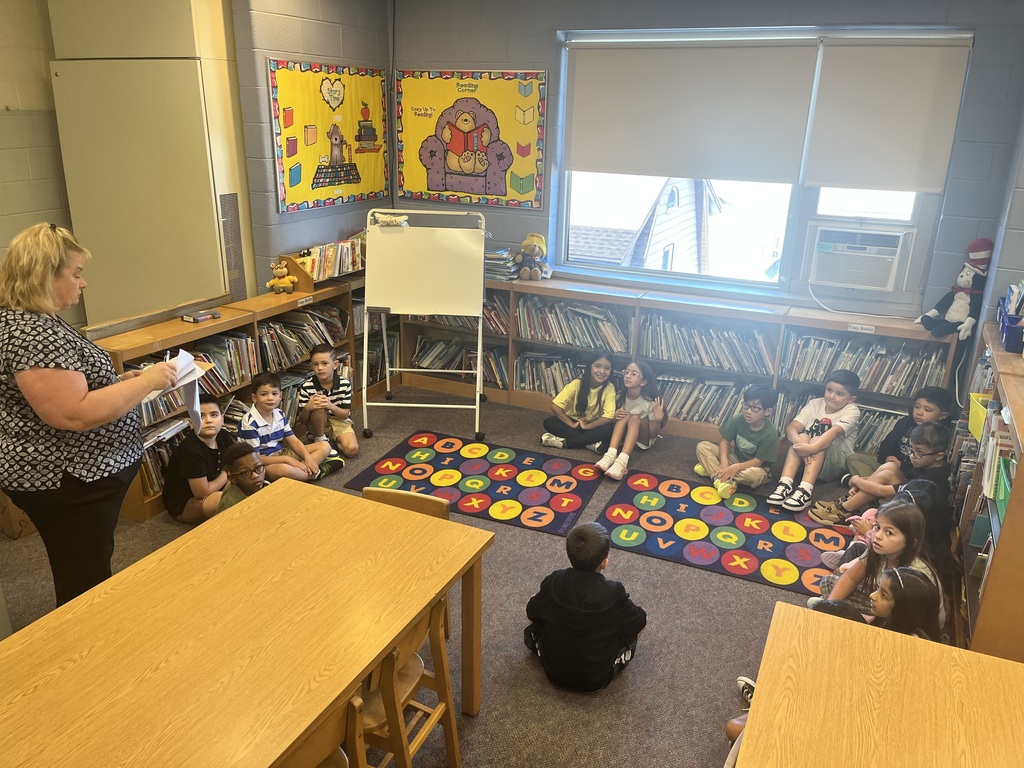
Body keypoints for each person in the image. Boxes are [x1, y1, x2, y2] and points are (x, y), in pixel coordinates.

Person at [0, 223, 177, 606]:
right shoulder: (31, 333)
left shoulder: (38, 319)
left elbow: (72, 386)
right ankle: (85, 639)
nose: (83, 283)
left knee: (85, 564)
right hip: (67, 480)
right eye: (76, 273)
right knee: (83, 578)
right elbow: (73, 413)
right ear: (44, 275)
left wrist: (119, 383)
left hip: (79, 475)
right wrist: (147, 382)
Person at [524, 521, 647, 692]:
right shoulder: (614, 592)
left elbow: (532, 612)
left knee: (537, 603)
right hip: (595, 679)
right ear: (604, 563)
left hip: (553, 672)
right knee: (631, 624)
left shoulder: (554, 580)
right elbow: (639, 621)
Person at [808, 498, 943, 627]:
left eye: (889, 533)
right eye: (877, 527)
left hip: (906, 621)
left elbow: (907, 622)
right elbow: (851, 577)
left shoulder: (914, 576)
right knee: (828, 582)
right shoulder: (878, 549)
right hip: (884, 602)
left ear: (911, 542)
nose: (877, 536)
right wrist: (829, 609)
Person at [810, 422, 951, 525]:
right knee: (890, 467)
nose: (912, 455)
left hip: (915, 520)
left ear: (938, 456)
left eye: (918, 452)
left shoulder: (932, 480)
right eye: (911, 449)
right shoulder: (924, 463)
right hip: (905, 500)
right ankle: (851, 502)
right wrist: (861, 483)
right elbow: (898, 480)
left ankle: (845, 510)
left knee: (887, 475)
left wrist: (856, 480)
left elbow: (882, 490)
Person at [766, 369, 861, 512]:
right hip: (809, 456)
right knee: (802, 436)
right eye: (829, 390)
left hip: (836, 464)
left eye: (839, 393)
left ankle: (805, 491)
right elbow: (791, 427)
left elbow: (833, 433)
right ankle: (785, 484)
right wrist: (800, 443)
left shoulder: (852, 411)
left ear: (851, 399)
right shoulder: (815, 404)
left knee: (818, 439)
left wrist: (810, 448)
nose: (831, 396)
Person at [237, 371, 341, 482]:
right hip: (262, 464)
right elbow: (256, 458)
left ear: (280, 396)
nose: (270, 398)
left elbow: (294, 441)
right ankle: (315, 473)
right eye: (264, 394)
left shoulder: (279, 414)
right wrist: (287, 460)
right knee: (284, 470)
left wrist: (308, 458)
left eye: (274, 394)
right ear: (254, 398)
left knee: (325, 446)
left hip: (282, 453)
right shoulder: (250, 423)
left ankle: (303, 471)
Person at [843, 386, 952, 480]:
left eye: (927, 410)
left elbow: (928, 465)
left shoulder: (940, 435)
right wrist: (888, 457)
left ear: (942, 416)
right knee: (854, 458)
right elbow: (886, 444)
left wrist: (901, 466)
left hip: (911, 476)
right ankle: (874, 484)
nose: (919, 413)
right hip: (891, 466)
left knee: (890, 473)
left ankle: (868, 484)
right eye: (917, 407)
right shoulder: (905, 423)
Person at [694, 384, 779, 499]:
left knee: (752, 477)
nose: (748, 411)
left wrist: (735, 467)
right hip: (735, 458)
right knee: (703, 446)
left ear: (767, 411)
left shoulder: (770, 433)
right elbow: (725, 442)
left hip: (756, 468)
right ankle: (719, 479)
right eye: (746, 405)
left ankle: (713, 471)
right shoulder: (738, 419)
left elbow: (758, 461)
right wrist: (724, 463)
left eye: (754, 408)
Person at [811, 565, 941, 641]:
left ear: (904, 608)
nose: (872, 596)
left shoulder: (910, 640)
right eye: (878, 588)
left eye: (883, 595)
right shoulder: (889, 620)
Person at [161, 394, 236, 524]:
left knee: (250, 480)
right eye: (201, 416)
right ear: (191, 423)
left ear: (222, 419)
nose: (209, 420)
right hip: (188, 502)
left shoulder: (224, 436)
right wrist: (225, 474)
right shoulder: (190, 450)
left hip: (216, 485)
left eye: (214, 415)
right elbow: (202, 493)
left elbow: (235, 462)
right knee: (223, 500)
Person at [594, 360, 666, 480]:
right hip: (624, 437)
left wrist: (657, 420)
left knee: (635, 418)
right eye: (626, 372)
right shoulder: (619, 396)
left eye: (634, 374)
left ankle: (622, 462)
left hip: (643, 439)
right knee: (624, 414)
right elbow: (611, 424)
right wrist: (615, 416)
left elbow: (653, 434)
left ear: (643, 382)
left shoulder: (650, 402)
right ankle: (610, 455)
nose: (628, 376)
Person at [540, 350, 617, 451]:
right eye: (597, 366)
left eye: (607, 368)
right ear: (590, 366)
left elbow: (608, 417)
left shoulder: (609, 388)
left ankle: (567, 443)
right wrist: (571, 424)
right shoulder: (577, 383)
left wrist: (587, 427)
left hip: (593, 425)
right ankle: (590, 443)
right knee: (549, 422)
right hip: (575, 423)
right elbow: (555, 406)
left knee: (607, 429)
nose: (602, 371)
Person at [296, 344, 359, 458]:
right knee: (318, 404)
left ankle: (331, 442)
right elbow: (302, 420)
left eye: (324, 363)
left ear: (335, 365)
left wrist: (330, 406)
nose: (320, 368)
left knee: (352, 450)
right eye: (316, 364)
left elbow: (345, 415)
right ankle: (321, 438)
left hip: (340, 421)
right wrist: (307, 408)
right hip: (317, 422)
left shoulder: (344, 384)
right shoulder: (307, 386)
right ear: (311, 366)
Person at [216, 443, 268, 512]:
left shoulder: (261, 485)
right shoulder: (231, 507)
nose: (255, 475)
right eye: (245, 473)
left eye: (258, 467)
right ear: (232, 479)